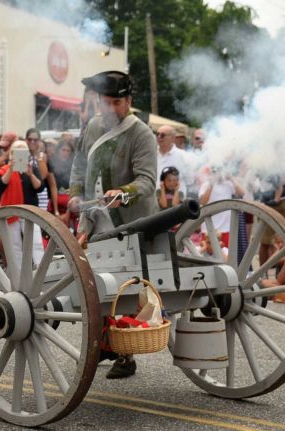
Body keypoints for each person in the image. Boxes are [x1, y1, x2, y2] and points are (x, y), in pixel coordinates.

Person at [68, 70, 158, 379]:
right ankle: (107, 345)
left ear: (129, 101)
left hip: (131, 222)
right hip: (97, 220)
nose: (111, 109)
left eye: (117, 102)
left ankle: (125, 353)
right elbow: (79, 168)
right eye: (106, 103)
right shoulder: (92, 127)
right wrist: (76, 195)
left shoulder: (141, 133)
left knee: (125, 289)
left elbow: (146, 180)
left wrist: (125, 193)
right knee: (99, 287)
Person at [0, 140, 45, 267]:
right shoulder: (5, 169)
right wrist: (11, 169)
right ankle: (19, 276)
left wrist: (31, 174)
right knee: (14, 246)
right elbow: (0, 185)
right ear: (11, 153)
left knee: (36, 242)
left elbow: (39, 187)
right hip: (12, 211)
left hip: (30, 210)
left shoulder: (31, 168)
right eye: (17, 151)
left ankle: (41, 270)